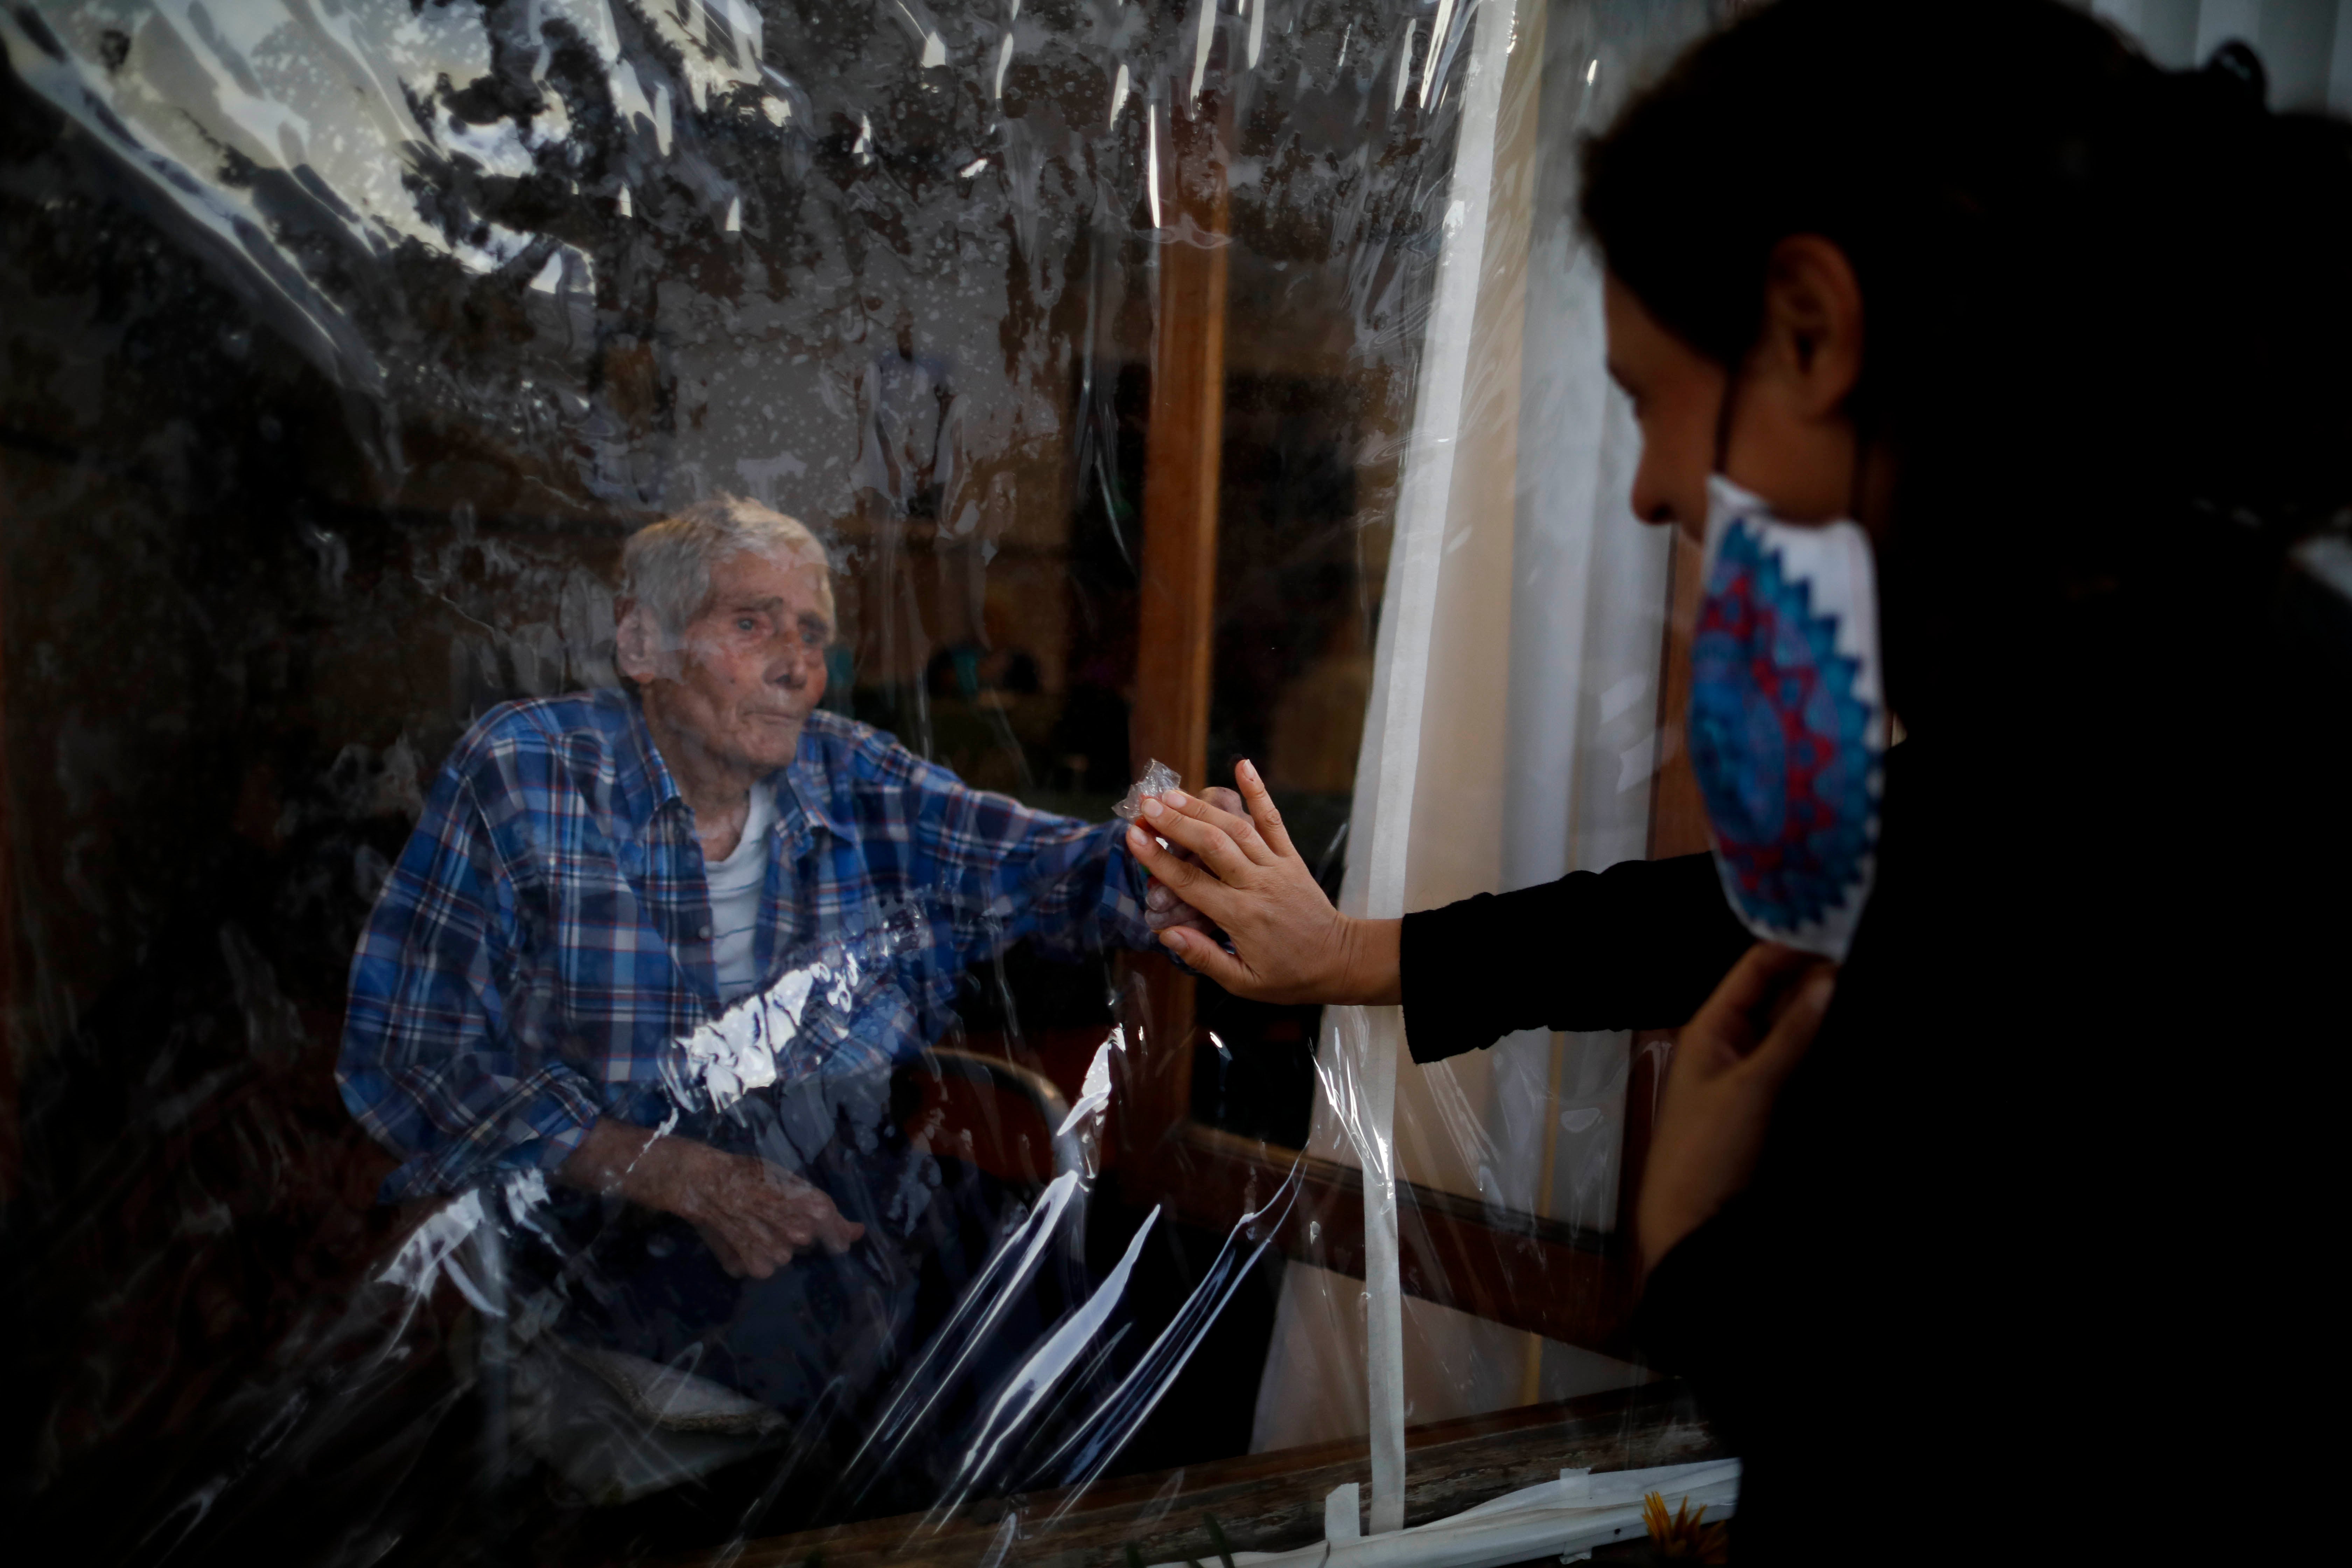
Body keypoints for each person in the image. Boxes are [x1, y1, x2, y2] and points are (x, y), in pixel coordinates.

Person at [1126, 2, 2351, 1560]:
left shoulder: (2133, 798)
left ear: (1812, 331)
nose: (1645, 493)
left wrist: (1699, 1255)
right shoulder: (2174, 680)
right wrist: (1364, 954)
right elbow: (1746, 908)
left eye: (1648, 400)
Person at [337, 495, 1226, 1508]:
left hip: (850, 1182)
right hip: (609, 1207)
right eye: (752, 623)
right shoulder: (529, 772)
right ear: (643, 642)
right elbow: (406, 1053)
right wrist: (664, 1166)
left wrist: (1179, 859)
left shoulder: (850, 772)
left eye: (812, 635)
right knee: (907, 1367)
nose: (795, 664)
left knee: (1104, 1284)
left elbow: (1041, 865)